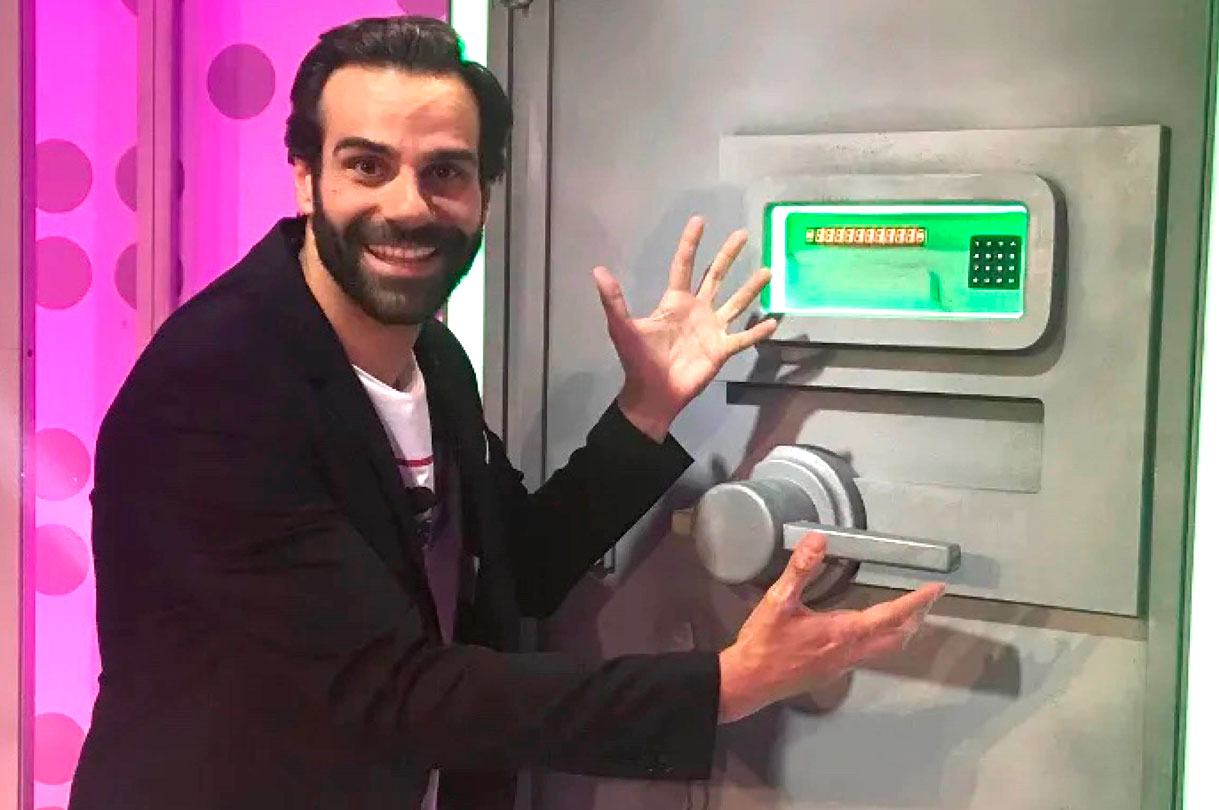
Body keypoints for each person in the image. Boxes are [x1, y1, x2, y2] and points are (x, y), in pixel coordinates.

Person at [69, 15, 944, 810]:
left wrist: (644, 410)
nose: (408, 206)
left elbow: (517, 567)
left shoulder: (432, 358)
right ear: (305, 179)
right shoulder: (215, 391)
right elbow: (394, 691)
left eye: (445, 173)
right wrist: (725, 686)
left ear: (483, 193)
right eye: (367, 165)